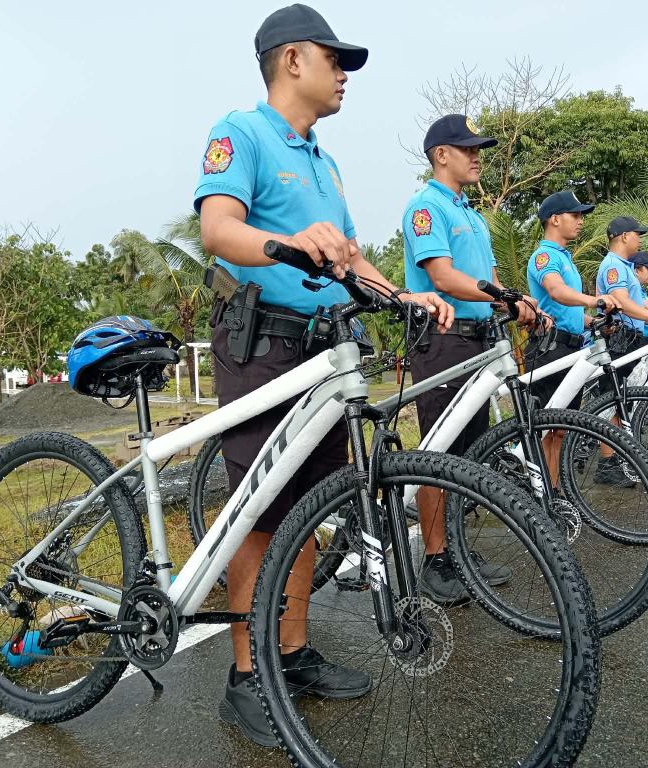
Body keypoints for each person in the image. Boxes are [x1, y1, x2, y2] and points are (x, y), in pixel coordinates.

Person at [195, 4, 453, 746]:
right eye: (333, 58)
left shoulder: (323, 161)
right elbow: (218, 228)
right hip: (260, 346)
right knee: (262, 511)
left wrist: (402, 294)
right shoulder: (239, 133)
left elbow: (348, 257)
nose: (344, 74)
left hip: (321, 346)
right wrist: (287, 241)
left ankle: (292, 652)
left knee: (312, 505)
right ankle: (246, 680)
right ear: (291, 60)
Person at [403, 113, 538, 604]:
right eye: (468, 149)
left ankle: (456, 547)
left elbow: (489, 277)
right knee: (438, 451)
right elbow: (441, 276)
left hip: (477, 336)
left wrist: (512, 299)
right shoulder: (426, 207)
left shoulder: (472, 213)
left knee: (469, 451)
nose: (477, 156)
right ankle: (435, 559)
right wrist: (503, 297)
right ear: (441, 155)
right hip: (443, 337)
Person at [525, 190, 617, 485]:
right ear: (554, 219)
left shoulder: (565, 258)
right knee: (545, 428)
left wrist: (591, 322)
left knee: (561, 429)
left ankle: (554, 491)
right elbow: (555, 291)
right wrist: (593, 300)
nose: (580, 221)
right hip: (550, 349)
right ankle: (541, 492)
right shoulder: (545, 257)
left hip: (571, 347)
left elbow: (566, 309)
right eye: (575, 215)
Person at [595, 217, 648, 483]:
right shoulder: (613, 267)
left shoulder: (625, 267)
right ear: (624, 236)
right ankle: (606, 463)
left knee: (621, 402)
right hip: (618, 340)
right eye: (637, 235)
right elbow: (622, 302)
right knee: (611, 401)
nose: (640, 240)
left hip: (630, 338)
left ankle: (615, 458)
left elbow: (640, 302)